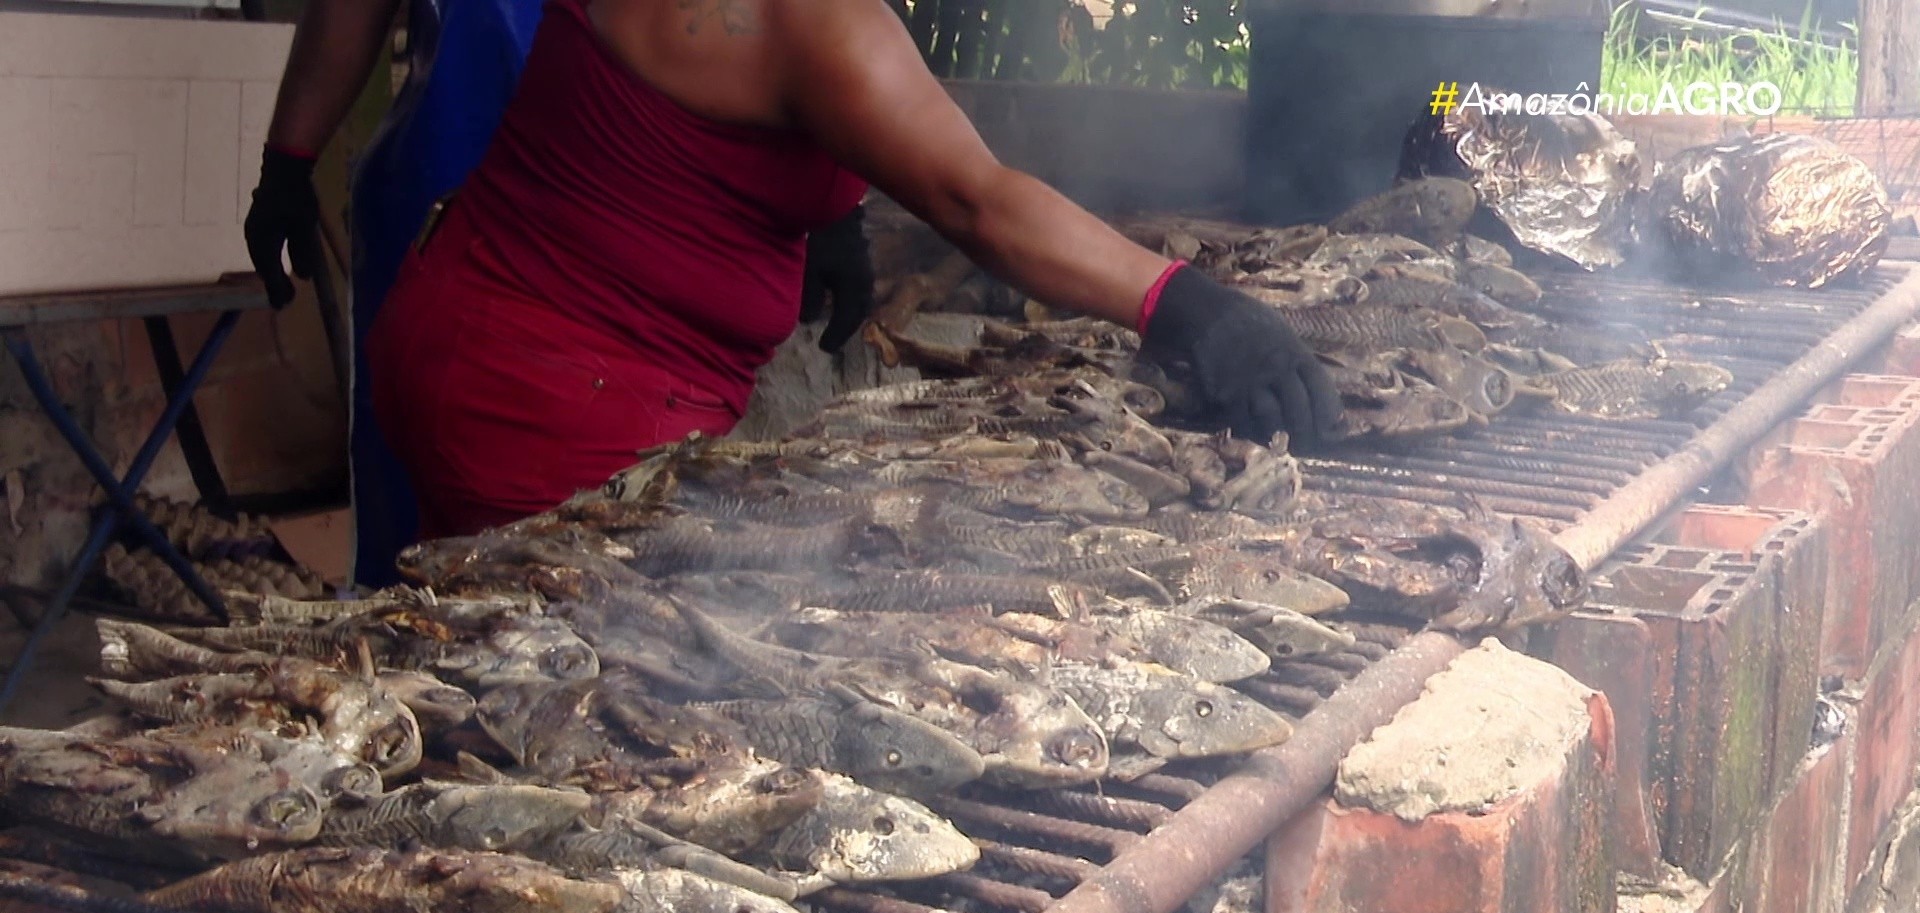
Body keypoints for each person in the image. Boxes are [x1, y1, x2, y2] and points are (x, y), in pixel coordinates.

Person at [244, 0, 1344, 543]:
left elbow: (720, 109)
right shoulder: (816, 18)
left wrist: (289, 154)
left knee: (460, 638)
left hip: (456, 325)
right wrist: (1182, 302)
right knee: (599, 725)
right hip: (561, 411)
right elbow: (976, 199)